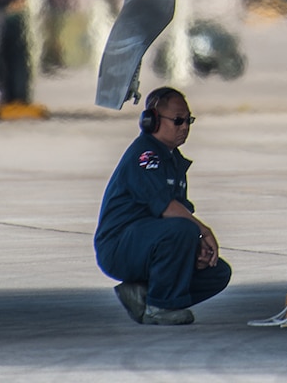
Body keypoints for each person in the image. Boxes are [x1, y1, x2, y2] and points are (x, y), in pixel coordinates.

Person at [95, 86, 232, 325]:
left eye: (188, 120)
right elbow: (166, 208)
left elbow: (177, 214)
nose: (185, 127)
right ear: (152, 121)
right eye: (178, 121)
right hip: (120, 246)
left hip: (149, 243)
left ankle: (142, 293)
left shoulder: (173, 161)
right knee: (184, 229)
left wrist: (195, 249)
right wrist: (203, 232)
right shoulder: (146, 156)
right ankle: (160, 307)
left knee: (217, 272)